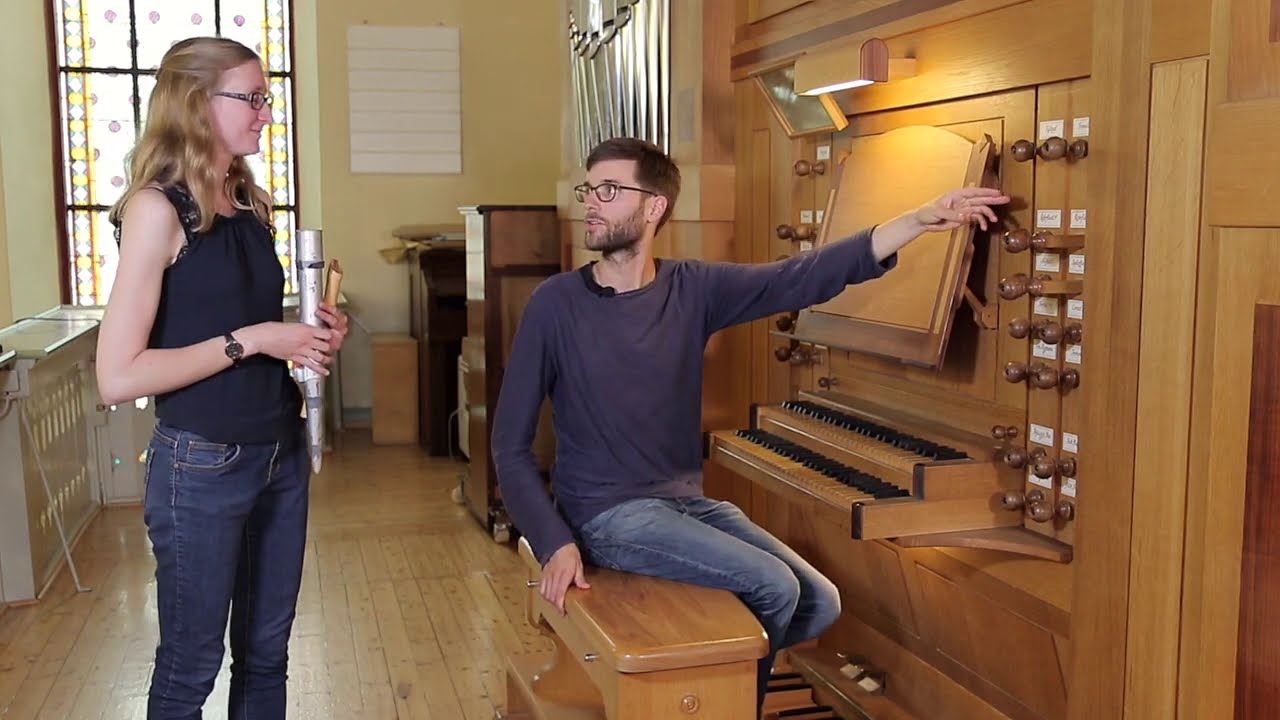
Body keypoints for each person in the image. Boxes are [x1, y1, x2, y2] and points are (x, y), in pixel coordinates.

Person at [490, 136, 1008, 713]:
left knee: (819, 601)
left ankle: (701, 690)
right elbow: (508, 444)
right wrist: (553, 538)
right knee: (775, 586)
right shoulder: (554, 303)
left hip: (685, 502)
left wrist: (918, 219)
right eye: (590, 189)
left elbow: (802, 276)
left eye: (609, 190)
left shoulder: (694, 289)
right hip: (607, 513)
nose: (592, 201)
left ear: (653, 206)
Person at [94, 37, 348, 720]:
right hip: (200, 463)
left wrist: (310, 334)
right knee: (191, 666)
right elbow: (117, 375)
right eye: (254, 98)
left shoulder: (249, 204)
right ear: (197, 103)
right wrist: (258, 338)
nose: (267, 112)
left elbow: (252, 331)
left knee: (267, 656)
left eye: (267, 98)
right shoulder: (157, 210)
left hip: (279, 451)